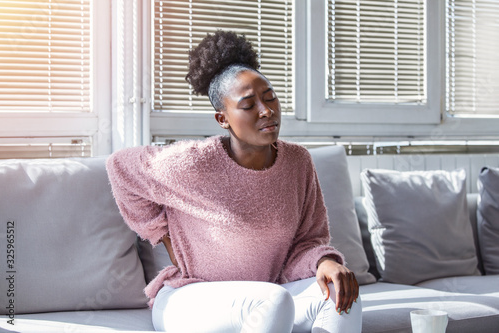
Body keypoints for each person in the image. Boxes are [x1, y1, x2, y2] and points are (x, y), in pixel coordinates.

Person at [106, 30, 362, 333]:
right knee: (274, 300)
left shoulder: (298, 162)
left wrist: (324, 263)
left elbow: (306, 242)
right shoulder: (192, 162)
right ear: (222, 118)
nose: (267, 111)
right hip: (189, 298)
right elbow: (119, 167)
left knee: (340, 296)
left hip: (266, 297)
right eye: (248, 104)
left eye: (270, 98)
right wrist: (162, 233)